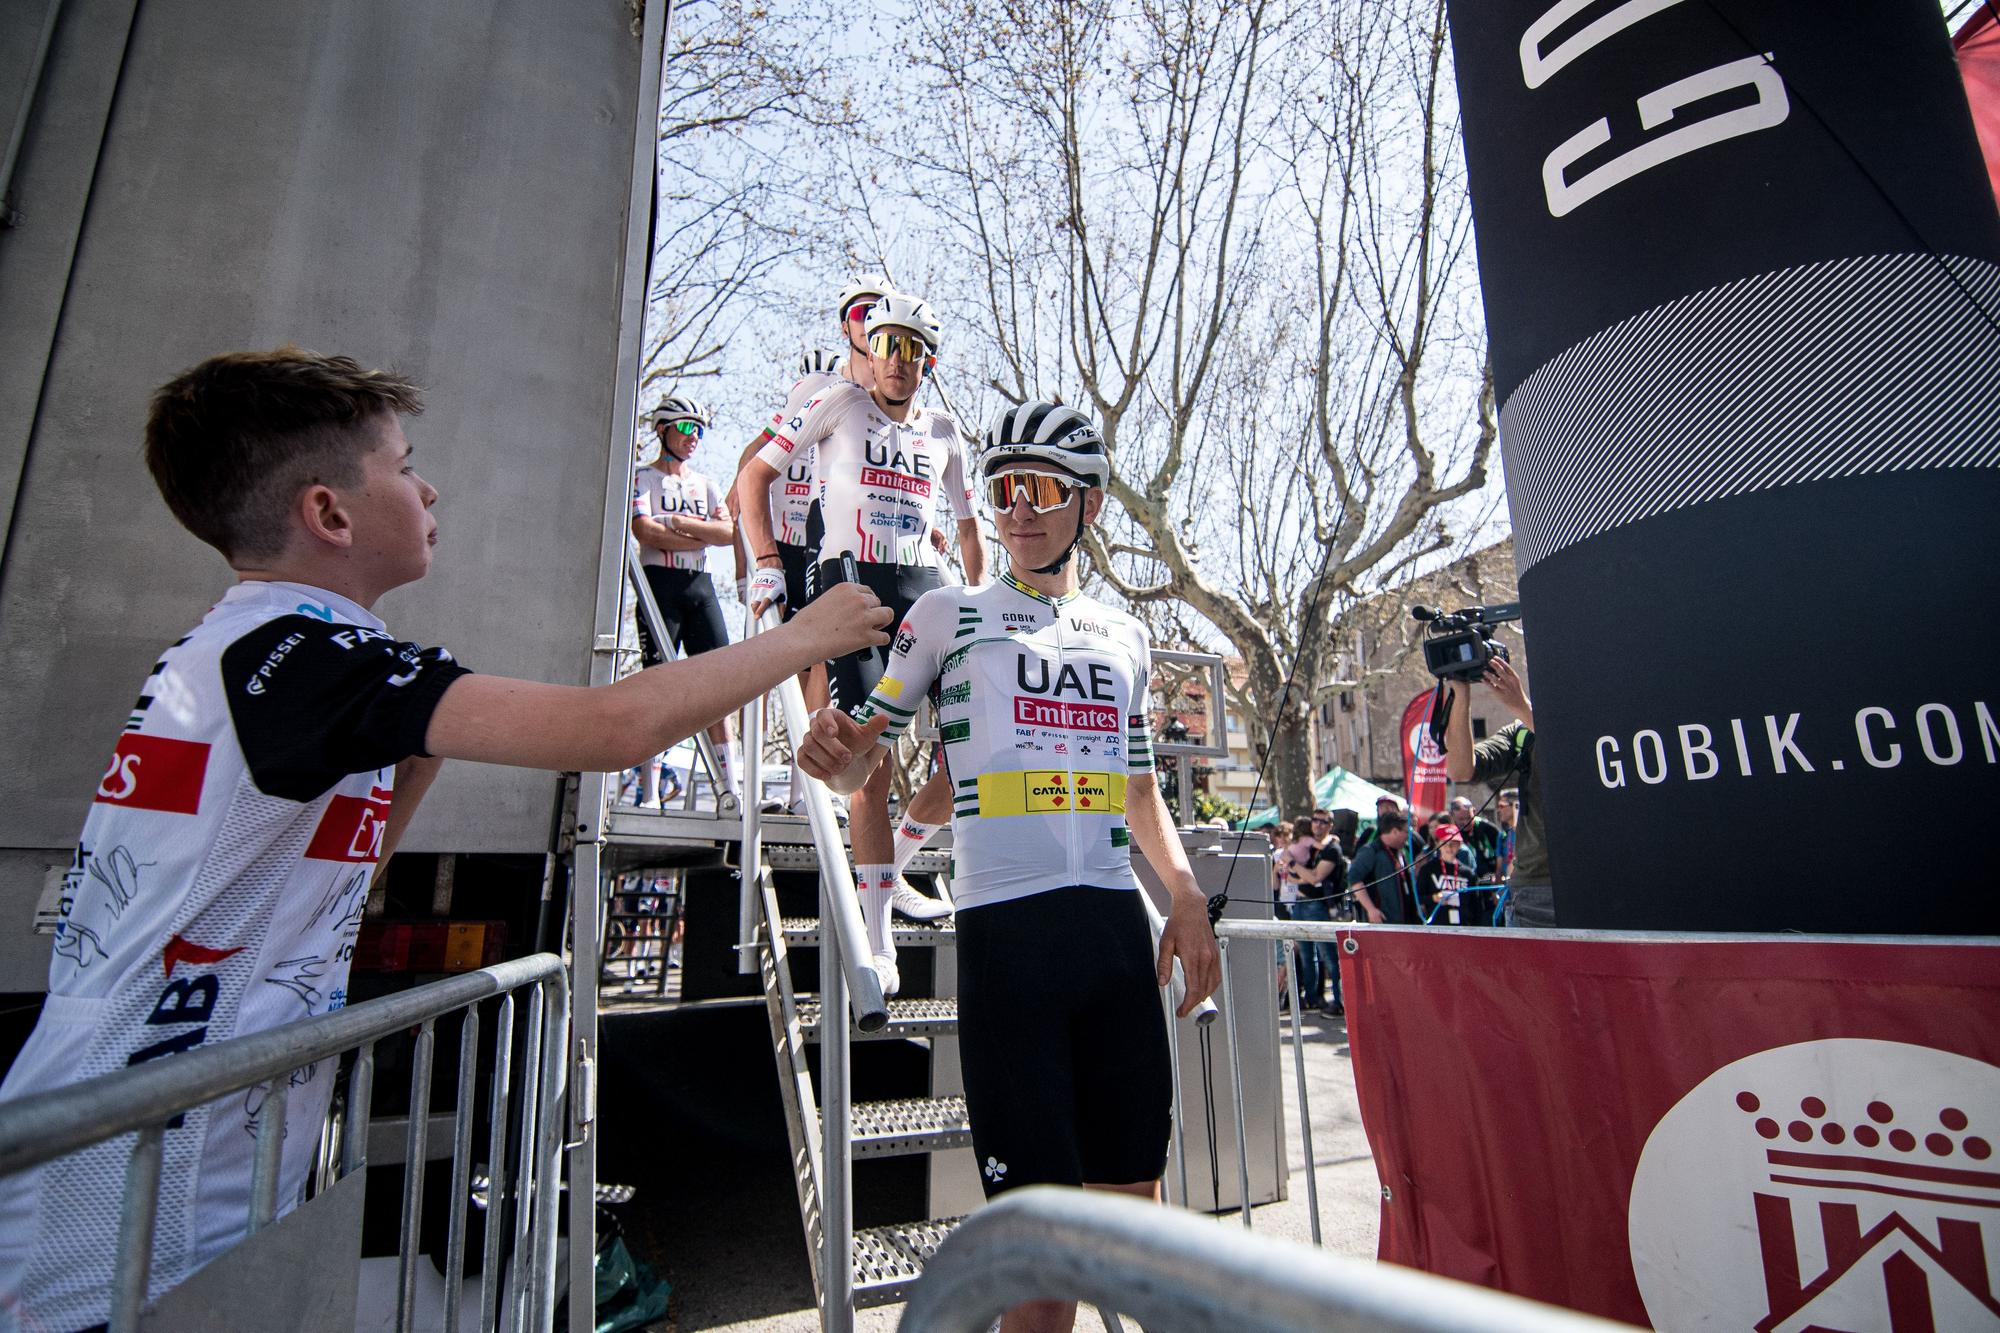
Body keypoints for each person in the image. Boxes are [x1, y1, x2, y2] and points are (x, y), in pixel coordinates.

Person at [0, 347, 891, 1330]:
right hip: (112, 1196)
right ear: (330, 515)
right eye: (402, 463)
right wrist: (805, 635)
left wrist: (414, 736)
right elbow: (611, 729)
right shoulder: (292, 654)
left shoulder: (284, 652)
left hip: (200, 1164)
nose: (428, 485)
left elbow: (341, 867)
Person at [796, 399, 1220, 1333]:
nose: (1017, 511)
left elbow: (1139, 791)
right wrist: (842, 754)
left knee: (1131, 1223)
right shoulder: (949, 613)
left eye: (1039, 491)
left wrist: (1186, 894)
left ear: (1091, 507)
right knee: (1041, 1264)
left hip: (1113, 935)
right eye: (1001, 491)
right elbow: (875, 750)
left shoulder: (1126, 636)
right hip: (1008, 940)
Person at [740, 290, 984, 989]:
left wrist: (985, 595)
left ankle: (898, 860)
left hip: (928, 588)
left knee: (971, 753)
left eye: (914, 350)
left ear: (929, 361)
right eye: (887, 345)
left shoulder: (943, 429)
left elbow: (968, 529)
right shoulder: (834, 400)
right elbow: (754, 476)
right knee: (867, 764)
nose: (898, 361)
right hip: (854, 586)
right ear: (868, 351)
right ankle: (879, 943)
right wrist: (763, 560)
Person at [631, 393, 742, 805]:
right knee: (658, 684)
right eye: (685, 428)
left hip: (701, 585)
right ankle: (649, 790)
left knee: (719, 684)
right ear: (662, 430)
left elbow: (728, 534)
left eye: (699, 430)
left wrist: (676, 521)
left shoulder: (706, 484)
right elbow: (644, 531)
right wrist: (700, 533)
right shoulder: (643, 478)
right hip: (660, 583)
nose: (694, 436)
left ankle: (730, 786)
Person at [1442, 657, 1549, 926]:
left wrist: (1523, 707)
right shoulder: (1520, 732)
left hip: (1596, 879)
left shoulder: (1597, 714)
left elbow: (1579, 752)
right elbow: (1461, 769)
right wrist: (1460, 692)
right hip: (1534, 885)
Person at [1287, 809, 1347, 1015]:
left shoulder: (1332, 849)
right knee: (1306, 955)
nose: (1318, 825)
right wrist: (1299, 875)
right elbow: (1298, 876)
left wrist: (1293, 864)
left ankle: (1339, 1001)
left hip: (1320, 905)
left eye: (1324, 822)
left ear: (1331, 825)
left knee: (1329, 956)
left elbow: (1314, 877)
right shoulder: (1310, 845)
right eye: (1315, 821)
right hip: (1301, 903)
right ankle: (1312, 997)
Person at [1347, 810, 1418, 924]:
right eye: (1406, 831)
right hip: (1383, 921)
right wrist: (1371, 909)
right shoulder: (1371, 851)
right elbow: (1354, 879)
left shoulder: (1401, 852)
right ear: (1394, 831)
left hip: (1405, 921)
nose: (1409, 836)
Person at [1416, 822, 1478, 924]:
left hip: (1464, 928)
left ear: (1459, 846)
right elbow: (1418, 898)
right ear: (1438, 844)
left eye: (1453, 844)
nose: (1449, 848)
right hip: (1437, 927)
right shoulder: (1428, 869)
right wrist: (1434, 898)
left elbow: (1476, 905)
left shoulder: (1468, 873)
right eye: (1445, 843)